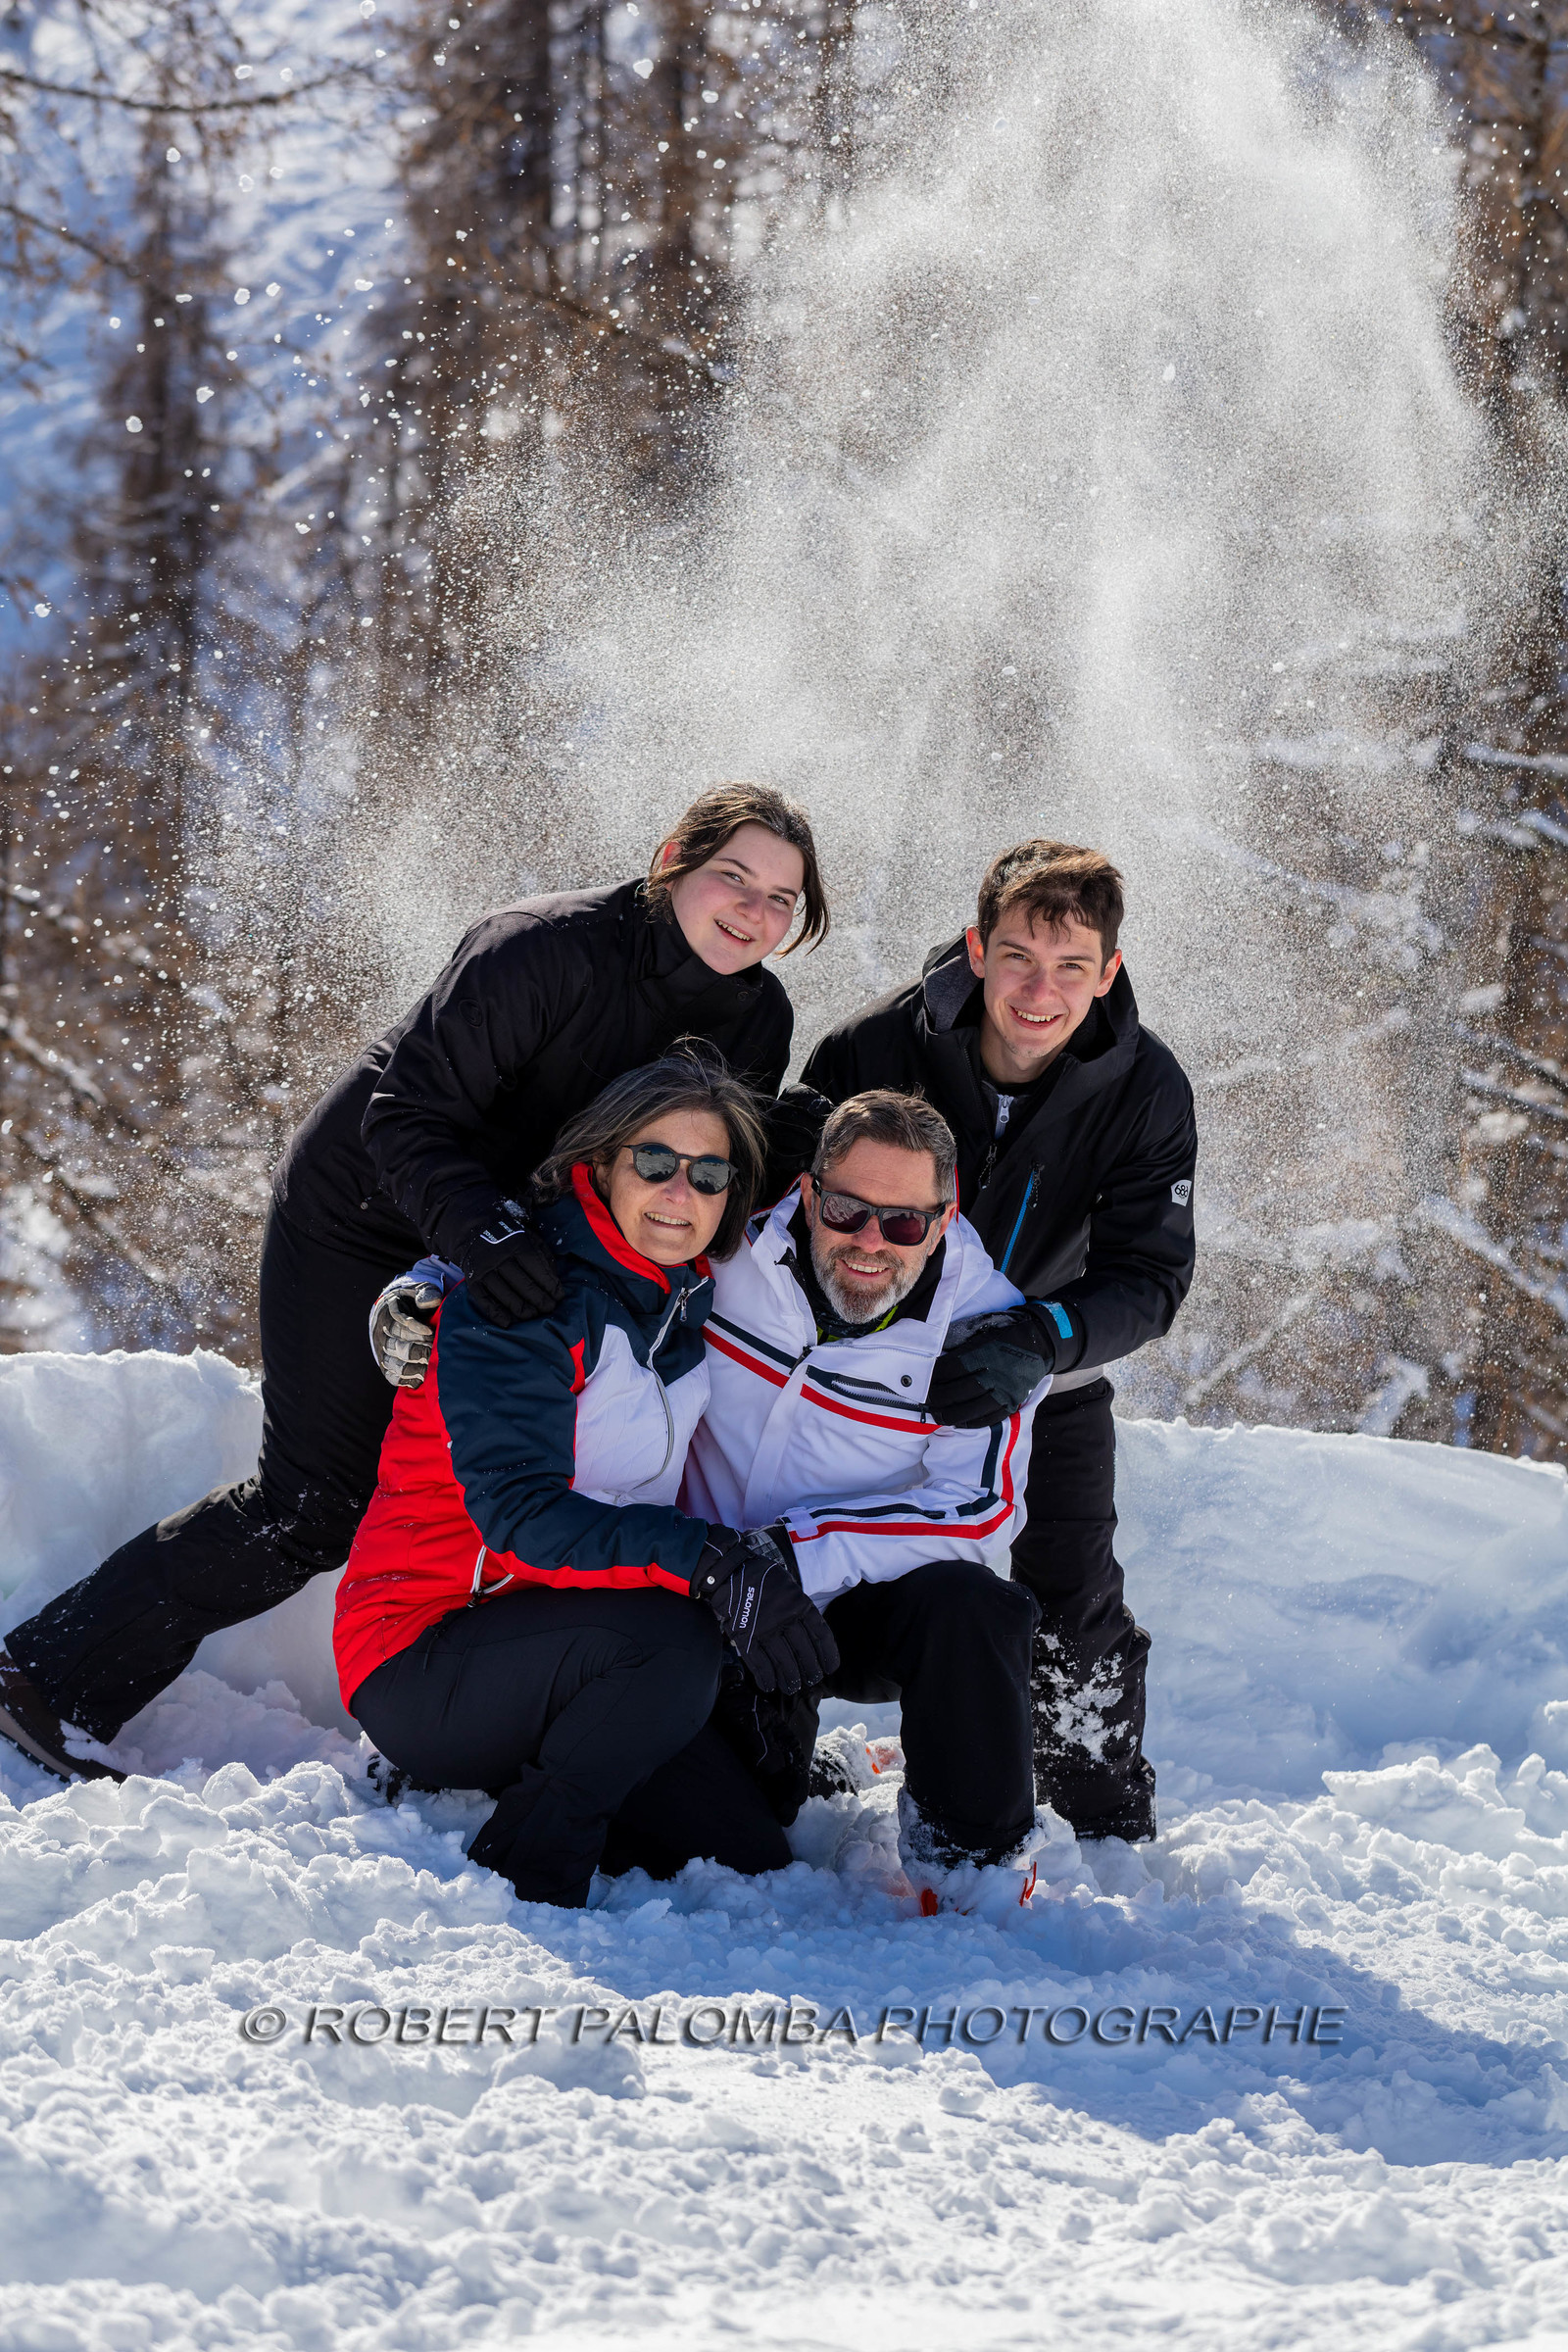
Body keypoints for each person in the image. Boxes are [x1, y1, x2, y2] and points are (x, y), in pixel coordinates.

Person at [0, 784, 828, 1784]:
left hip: (518, 1247)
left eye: (782, 899)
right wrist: (472, 1246)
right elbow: (403, 1117)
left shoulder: (758, 1020)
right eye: (731, 877)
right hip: (366, 1215)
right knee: (315, 1499)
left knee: (530, 1487)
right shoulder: (542, 948)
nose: (753, 910)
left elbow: (706, 1168)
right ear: (669, 864)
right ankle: (43, 1676)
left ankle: (506, 1710)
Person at [372, 1088, 1056, 1909]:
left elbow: (978, 1514)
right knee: (742, 1847)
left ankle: (971, 1866)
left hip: (823, 1592)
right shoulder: (730, 1249)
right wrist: (441, 1271)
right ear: (807, 1194)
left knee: (976, 1608)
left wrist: (792, 1553)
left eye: (905, 1222)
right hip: (690, 1597)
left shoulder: (983, 1331)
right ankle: (506, 1760)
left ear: (943, 1220)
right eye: (846, 1210)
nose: (871, 1242)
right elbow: (578, 1231)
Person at [334, 1048, 839, 1909]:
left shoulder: (681, 1294)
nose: (680, 1193)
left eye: (710, 1174)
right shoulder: (524, 1298)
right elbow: (521, 1518)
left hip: (572, 1639)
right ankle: (529, 1859)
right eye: (654, 1163)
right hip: (427, 1651)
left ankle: (557, 1774)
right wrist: (706, 1561)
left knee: (749, 1846)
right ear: (601, 1163)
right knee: (671, 1638)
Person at [797, 842, 1196, 1844]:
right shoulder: (875, 1046)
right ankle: (763, 1755)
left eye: (1071, 967)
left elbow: (1151, 1278)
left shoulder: (1143, 1086)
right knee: (788, 1548)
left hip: (1039, 1373)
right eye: (1018, 955)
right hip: (852, 1365)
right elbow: (786, 1207)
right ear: (976, 949)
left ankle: (1096, 1814)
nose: (1039, 989)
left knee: (1067, 1587)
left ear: (1107, 971)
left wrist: (1045, 1338)